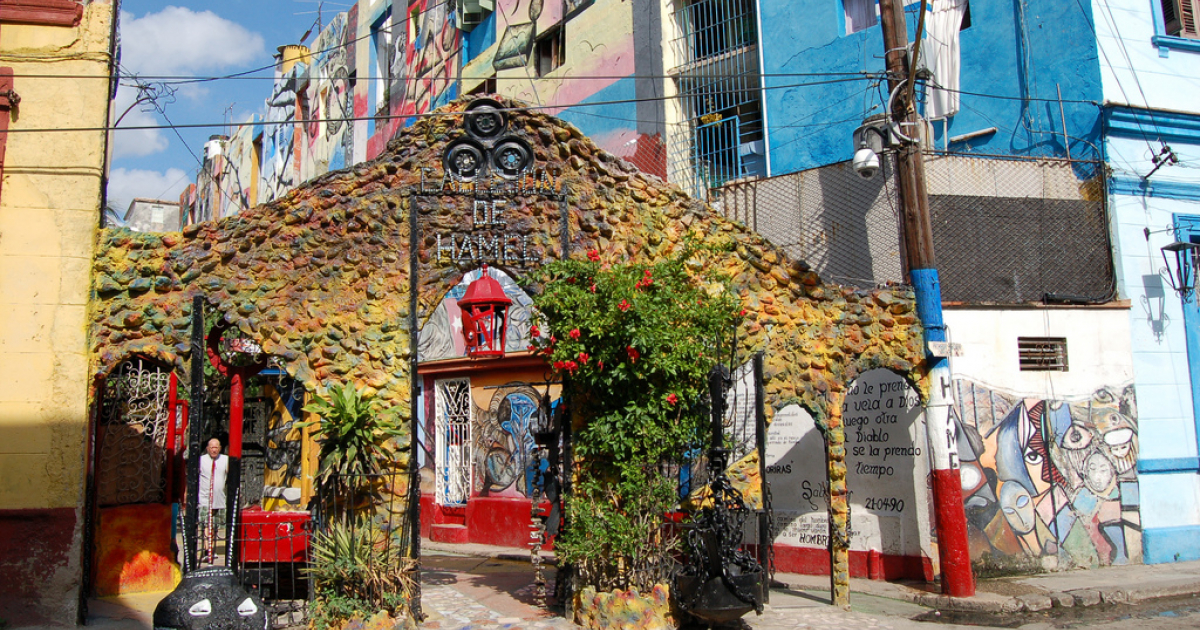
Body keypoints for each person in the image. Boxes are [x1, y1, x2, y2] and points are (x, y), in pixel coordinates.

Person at [197, 437, 229, 563]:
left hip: (219, 498)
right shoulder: (201, 460)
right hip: (204, 498)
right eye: (212, 447)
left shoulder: (225, 460)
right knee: (206, 524)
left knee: (215, 526)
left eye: (216, 447)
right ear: (207, 448)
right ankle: (207, 550)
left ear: (220, 448)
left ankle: (212, 548)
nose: (214, 450)